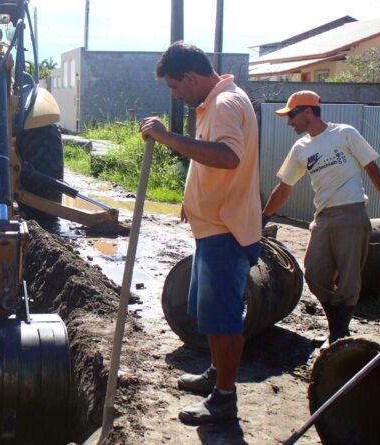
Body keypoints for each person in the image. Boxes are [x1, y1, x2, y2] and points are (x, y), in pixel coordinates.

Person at [139, 41, 261, 424]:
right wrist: (192, 198)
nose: (175, 95)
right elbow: (210, 159)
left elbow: (227, 157)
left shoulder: (225, 104)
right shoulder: (218, 102)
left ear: (190, 77)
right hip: (215, 227)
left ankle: (224, 399)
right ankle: (216, 374)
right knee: (209, 316)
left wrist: (168, 137)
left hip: (226, 230)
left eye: (175, 87)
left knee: (223, 319)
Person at [262, 90, 380, 347]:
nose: (288, 121)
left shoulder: (344, 133)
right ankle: (337, 324)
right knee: (315, 273)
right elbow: (284, 186)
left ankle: (338, 333)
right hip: (323, 217)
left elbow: (371, 167)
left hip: (351, 212)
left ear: (307, 112)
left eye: (291, 115)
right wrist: (265, 216)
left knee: (349, 277)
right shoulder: (300, 147)